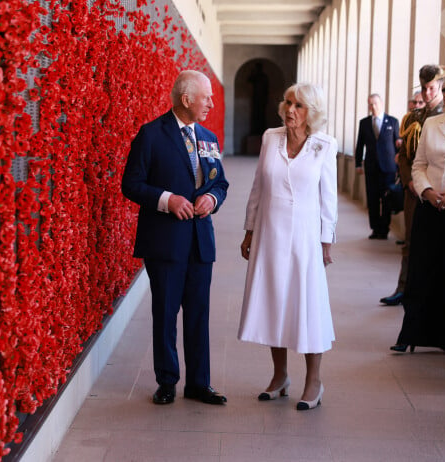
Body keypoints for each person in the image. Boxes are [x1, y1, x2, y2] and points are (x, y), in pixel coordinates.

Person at [121, 70, 229, 405]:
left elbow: (220, 184)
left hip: (200, 242)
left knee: (199, 314)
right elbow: (131, 184)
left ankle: (199, 383)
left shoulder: (209, 137)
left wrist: (212, 199)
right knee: (165, 314)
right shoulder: (151, 135)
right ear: (186, 99)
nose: (211, 103)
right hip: (165, 242)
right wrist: (168, 200)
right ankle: (167, 381)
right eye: (206, 97)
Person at [238, 83, 337, 411]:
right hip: (270, 232)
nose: (290, 109)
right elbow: (257, 188)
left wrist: (326, 241)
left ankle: (314, 380)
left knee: (307, 304)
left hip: (305, 238)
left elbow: (328, 199)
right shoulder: (270, 138)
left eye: (299, 105)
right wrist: (249, 230)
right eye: (288, 102)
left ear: (313, 112)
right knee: (274, 300)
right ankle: (280, 376)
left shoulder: (325, 145)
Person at [390, 73, 445, 354]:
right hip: (430, 206)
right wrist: (426, 191)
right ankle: (414, 332)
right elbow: (418, 164)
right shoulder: (430, 123)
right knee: (423, 269)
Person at [380, 65, 445, 306]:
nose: (427, 93)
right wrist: (409, 180)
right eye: (423, 88)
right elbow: (405, 156)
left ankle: (430, 293)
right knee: (410, 241)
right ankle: (403, 288)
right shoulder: (414, 117)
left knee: (437, 243)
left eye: (431, 88)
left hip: (440, 190)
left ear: (440, 87)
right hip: (413, 191)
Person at [355, 94, 400, 239]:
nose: (372, 107)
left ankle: (385, 228)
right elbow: (360, 145)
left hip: (388, 168)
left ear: (381, 103)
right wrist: (357, 164)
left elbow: (397, 145)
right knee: (372, 198)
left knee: (387, 198)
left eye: (375, 103)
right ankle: (375, 228)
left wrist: (399, 167)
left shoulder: (393, 121)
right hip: (371, 167)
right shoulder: (364, 123)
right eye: (370, 104)